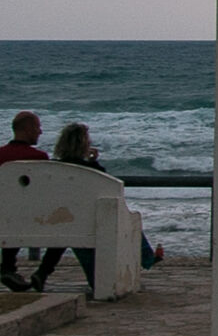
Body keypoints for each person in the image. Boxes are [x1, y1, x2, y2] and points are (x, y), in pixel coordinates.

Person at [32, 124, 164, 296]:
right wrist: (94, 162)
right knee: (129, 220)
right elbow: (109, 188)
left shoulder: (54, 169)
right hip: (91, 224)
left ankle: (42, 272)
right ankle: (147, 258)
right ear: (84, 145)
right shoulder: (93, 171)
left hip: (57, 221)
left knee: (67, 227)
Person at [0, 111, 47, 292]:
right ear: (27, 129)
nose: (40, 132)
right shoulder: (39, 158)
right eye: (37, 127)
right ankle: (42, 273)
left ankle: (8, 267)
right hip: (29, 219)